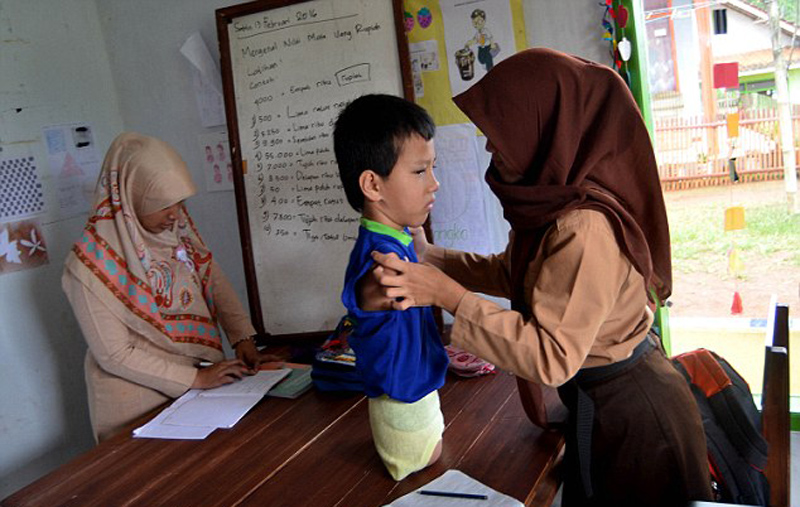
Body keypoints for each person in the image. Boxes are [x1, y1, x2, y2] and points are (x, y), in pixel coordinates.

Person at [370, 49, 714, 505]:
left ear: (546, 130)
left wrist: (450, 298)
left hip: (635, 420)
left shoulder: (582, 227)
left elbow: (552, 357)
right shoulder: (553, 204)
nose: (492, 150)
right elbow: (518, 276)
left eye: (501, 135)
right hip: (604, 401)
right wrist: (435, 258)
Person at [63, 132, 273, 442]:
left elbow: (211, 277)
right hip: (137, 399)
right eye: (162, 205)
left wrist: (242, 337)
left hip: (199, 385)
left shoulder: (177, 232)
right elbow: (115, 355)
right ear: (130, 199)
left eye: (179, 202)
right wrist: (195, 378)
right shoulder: (89, 264)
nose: (175, 214)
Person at [332, 94, 449, 481]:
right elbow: (377, 289)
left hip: (416, 394)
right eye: (420, 171)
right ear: (372, 184)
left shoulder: (396, 241)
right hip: (403, 405)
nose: (434, 183)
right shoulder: (382, 261)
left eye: (433, 168)